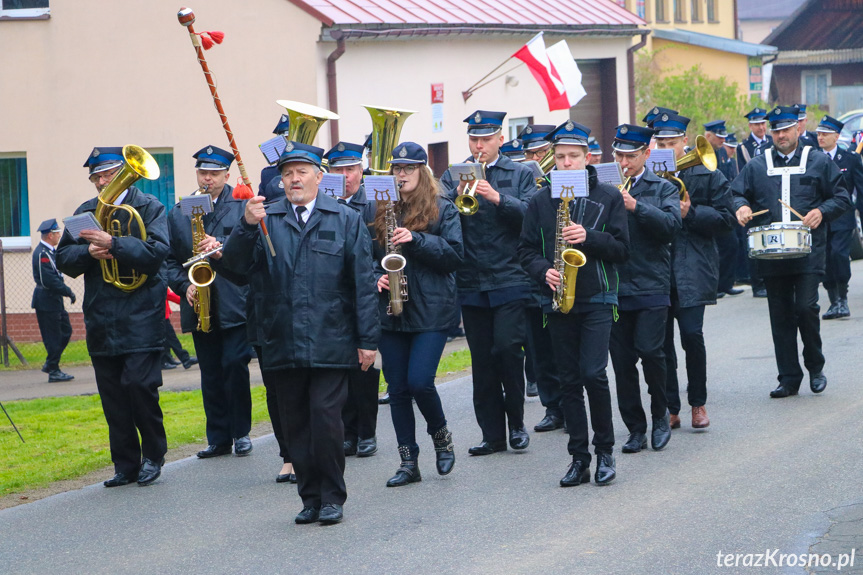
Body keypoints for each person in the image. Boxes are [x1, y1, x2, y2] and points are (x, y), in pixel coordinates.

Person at [222, 140, 378, 526]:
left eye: (302, 172)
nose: (294, 179)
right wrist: (245, 226)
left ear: (319, 178)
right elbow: (235, 269)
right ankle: (309, 497)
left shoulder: (344, 218)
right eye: (288, 173)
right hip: (281, 339)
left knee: (326, 420)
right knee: (295, 424)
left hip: (332, 337)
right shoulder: (265, 219)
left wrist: (367, 341)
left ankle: (332, 497)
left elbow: (361, 281)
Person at [518, 120, 629, 486]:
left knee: (593, 374)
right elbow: (525, 251)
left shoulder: (609, 196)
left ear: (587, 158)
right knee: (568, 380)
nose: (566, 163)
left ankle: (606, 451)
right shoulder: (539, 200)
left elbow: (622, 250)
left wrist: (589, 237)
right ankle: (578, 458)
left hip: (598, 295)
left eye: (573, 157)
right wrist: (542, 272)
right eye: (560, 157)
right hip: (558, 299)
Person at [56, 146, 169, 487]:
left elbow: (158, 253)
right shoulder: (85, 212)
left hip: (141, 314)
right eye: (97, 177)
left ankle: (153, 454)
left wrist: (114, 243)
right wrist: (89, 251)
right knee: (113, 396)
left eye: (108, 174)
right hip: (102, 317)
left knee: (139, 386)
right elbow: (63, 258)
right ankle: (125, 464)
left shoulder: (150, 207)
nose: (103, 182)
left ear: (122, 172)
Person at [732, 106, 851, 398]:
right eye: (776, 131)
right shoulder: (758, 165)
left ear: (798, 129)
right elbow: (736, 193)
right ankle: (788, 377)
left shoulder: (819, 161)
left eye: (786, 129)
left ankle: (815, 366)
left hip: (809, 251)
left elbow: (842, 197)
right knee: (780, 314)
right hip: (771, 253)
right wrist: (741, 207)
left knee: (805, 308)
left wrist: (821, 212)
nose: (781, 135)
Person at [439, 110, 537, 456]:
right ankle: (492, 435)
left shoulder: (521, 173)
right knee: (482, 361)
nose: (479, 145)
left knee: (508, 350)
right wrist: (453, 197)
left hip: (510, 275)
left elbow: (532, 216)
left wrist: (497, 198)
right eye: (474, 139)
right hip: (471, 278)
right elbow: (440, 215)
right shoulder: (454, 174)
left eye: (485, 139)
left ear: (500, 139)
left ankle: (518, 425)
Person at [370, 141, 463, 487]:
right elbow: (364, 258)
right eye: (396, 168)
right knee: (397, 389)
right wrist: (373, 275)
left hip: (431, 310)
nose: (402, 174)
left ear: (422, 172)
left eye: (408, 168)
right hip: (391, 310)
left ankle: (441, 437)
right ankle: (408, 461)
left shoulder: (443, 209)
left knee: (420, 382)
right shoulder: (381, 209)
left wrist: (416, 240)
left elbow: (455, 256)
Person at [164, 145, 254, 460]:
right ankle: (218, 437)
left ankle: (241, 432)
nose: (207, 179)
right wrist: (183, 284)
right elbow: (168, 260)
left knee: (234, 366)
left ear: (226, 175)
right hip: (199, 302)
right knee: (211, 371)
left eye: (214, 173)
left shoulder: (241, 204)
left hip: (234, 301)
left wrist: (223, 247)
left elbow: (250, 249)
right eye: (203, 172)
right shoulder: (179, 212)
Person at [653, 113, 735, 430]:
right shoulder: (647, 174)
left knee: (691, 336)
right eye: (660, 143)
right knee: (660, 344)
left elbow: (727, 219)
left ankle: (697, 403)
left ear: (684, 143)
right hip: (657, 269)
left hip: (693, 265)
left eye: (671, 143)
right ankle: (670, 407)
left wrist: (691, 212)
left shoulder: (707, 172)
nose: (666, 148)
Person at [608, 124, 681, 453]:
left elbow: (671, 226)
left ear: (646, 155)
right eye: (620, 155)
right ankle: (635, 427)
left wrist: (636, 206)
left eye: (631, 156)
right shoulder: (604, 186)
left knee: (652, 353)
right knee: (622, 363)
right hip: (614, 285)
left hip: (651, 282)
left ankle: (660, 415)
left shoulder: (662, 186)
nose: (624, 162)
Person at [324, 141, 381, 458]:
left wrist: (374, 277)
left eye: (351, 169)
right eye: (338, 170)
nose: (345, 176)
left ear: (362, 171)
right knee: (340, 367)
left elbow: (381, 252)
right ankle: (347, 432)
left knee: (365, 366)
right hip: (334, 296)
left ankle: (367, 432)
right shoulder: (325, 204)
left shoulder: (373, 204)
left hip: (368, 291)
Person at [815, 115, 863, 320]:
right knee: (824, 259)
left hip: (843, 217)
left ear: (836, 136)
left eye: (825, 134)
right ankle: (833, 300)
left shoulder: (850, 159)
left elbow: (860, 189)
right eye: (818, 134)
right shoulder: (812, 159)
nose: (820, 138)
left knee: (839, 255)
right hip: (820, 217)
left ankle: (842, 298)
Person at [32, 218, 75, 382]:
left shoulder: (51, 252)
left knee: (65, 331)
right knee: (53, 337)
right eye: (57, 234)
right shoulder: (42, 253)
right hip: (46, 300)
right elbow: (48, 279)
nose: (59, 236)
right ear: (50, 235)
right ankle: (54, 370)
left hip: (54, 300)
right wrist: (68, 291)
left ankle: (50, 364)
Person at [738, 108, 773, 298]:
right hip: (752, 199)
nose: (761, 127)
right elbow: (741, 174)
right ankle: (757, 282)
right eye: (757, 124)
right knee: (752, 241)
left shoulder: (771, 142)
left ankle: (768, 278)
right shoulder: (743, 147)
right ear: (750, 125)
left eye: (763, 123)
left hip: (769, 196)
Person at [715, 133, 743, 298]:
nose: (732, 151)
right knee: (725, 246)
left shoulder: (730, 161)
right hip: (718, 206)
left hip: (729, 205)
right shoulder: (718, 157)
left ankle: (726, 283)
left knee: (732, 244)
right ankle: (718, 285)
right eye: (730, 147)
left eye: (734, 148)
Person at [161, 287, 197, 370]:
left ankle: (168, 358)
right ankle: (185, 359)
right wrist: (184, 300)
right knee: (171, 338)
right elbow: (169, 294)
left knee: (165, 338)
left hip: (162, 314)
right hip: (160, 315)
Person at [259, 114, 291, 202]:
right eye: (283, 140)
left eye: (290, 140)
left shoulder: (314, 169)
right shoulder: (268, 174)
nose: (287, 145)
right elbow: (263, 203)